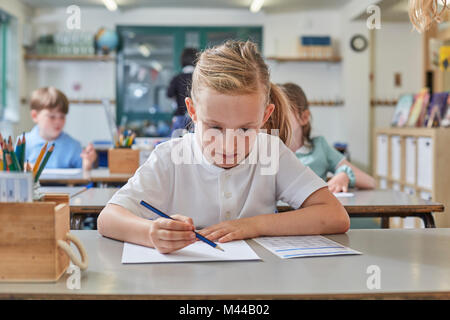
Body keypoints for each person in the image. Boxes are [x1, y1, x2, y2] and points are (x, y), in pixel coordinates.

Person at [97, 40, 349, 254]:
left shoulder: (270, 151)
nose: (229, 145)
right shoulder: (169, 157)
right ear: (193, 112)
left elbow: (335, 215)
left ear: (265, 116)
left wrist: (252, 225)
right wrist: (150, 232)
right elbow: (108, 219)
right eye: (215, 128)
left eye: (245, 129)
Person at [277, 82, 376, 193]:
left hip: (315, 208)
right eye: (271, 114)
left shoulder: (319, 147)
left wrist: (344, 175)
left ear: (304, 117)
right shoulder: (267, 148)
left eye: (282, 114)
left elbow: (370, 182)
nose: (274, 120)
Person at [25, 87, 97, 170]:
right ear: (35, 116)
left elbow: (85, 180)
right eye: (52, 117)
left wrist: (87, 163)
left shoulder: (73, 146)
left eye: (62, 117)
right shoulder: (24, 143)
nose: (58, 121)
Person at [167, 47, 198, 132]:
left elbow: (169, 94)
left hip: (180, 117)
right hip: (197, 118)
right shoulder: (200, 78)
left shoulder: (177, 78)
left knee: (177, 143)